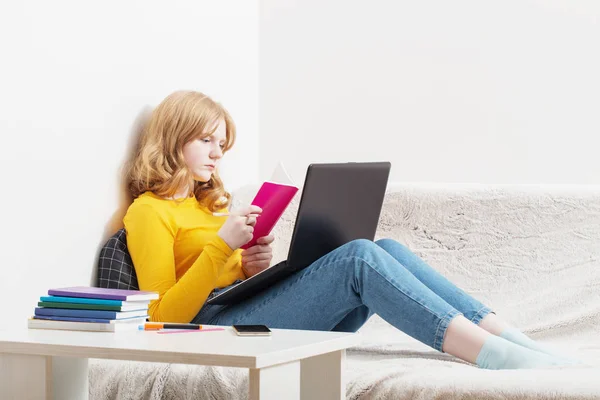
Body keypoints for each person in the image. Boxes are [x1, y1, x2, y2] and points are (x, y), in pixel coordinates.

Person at [123, 90, 578, 370]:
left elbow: (222, 273)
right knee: (359, 258)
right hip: (209, 332)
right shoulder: (148, 212)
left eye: (222, 144)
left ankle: (512, 338)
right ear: (172, 137)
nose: (218, 153)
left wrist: (247, 265)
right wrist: (222, 247)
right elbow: (163, 317)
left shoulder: (208, 206)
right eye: (206, 140)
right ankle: (493, 356)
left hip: (238, 314)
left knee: (387, 248)